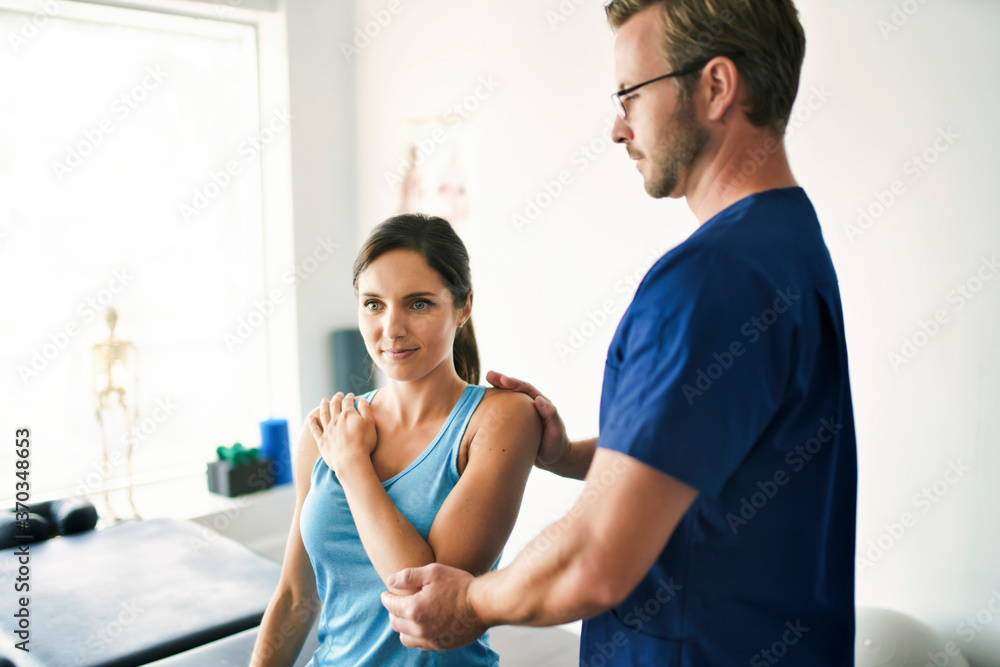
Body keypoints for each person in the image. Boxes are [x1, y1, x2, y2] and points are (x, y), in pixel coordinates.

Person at [381, 1, 857, 665]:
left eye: (631, 94)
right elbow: (726, 445)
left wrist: (471, 602)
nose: (616, 126)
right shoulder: (789, 244)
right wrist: (575, 454)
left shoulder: (707, 279)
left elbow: (596, 559)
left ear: (716, 87)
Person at [250, 214, 542, 666]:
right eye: (373, 304)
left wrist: (352, 466)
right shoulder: (326, 431)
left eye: (419, 304)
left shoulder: (502, 419)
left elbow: (423, 596)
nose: (392, 328)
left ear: (463, 307)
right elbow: (293, 597)